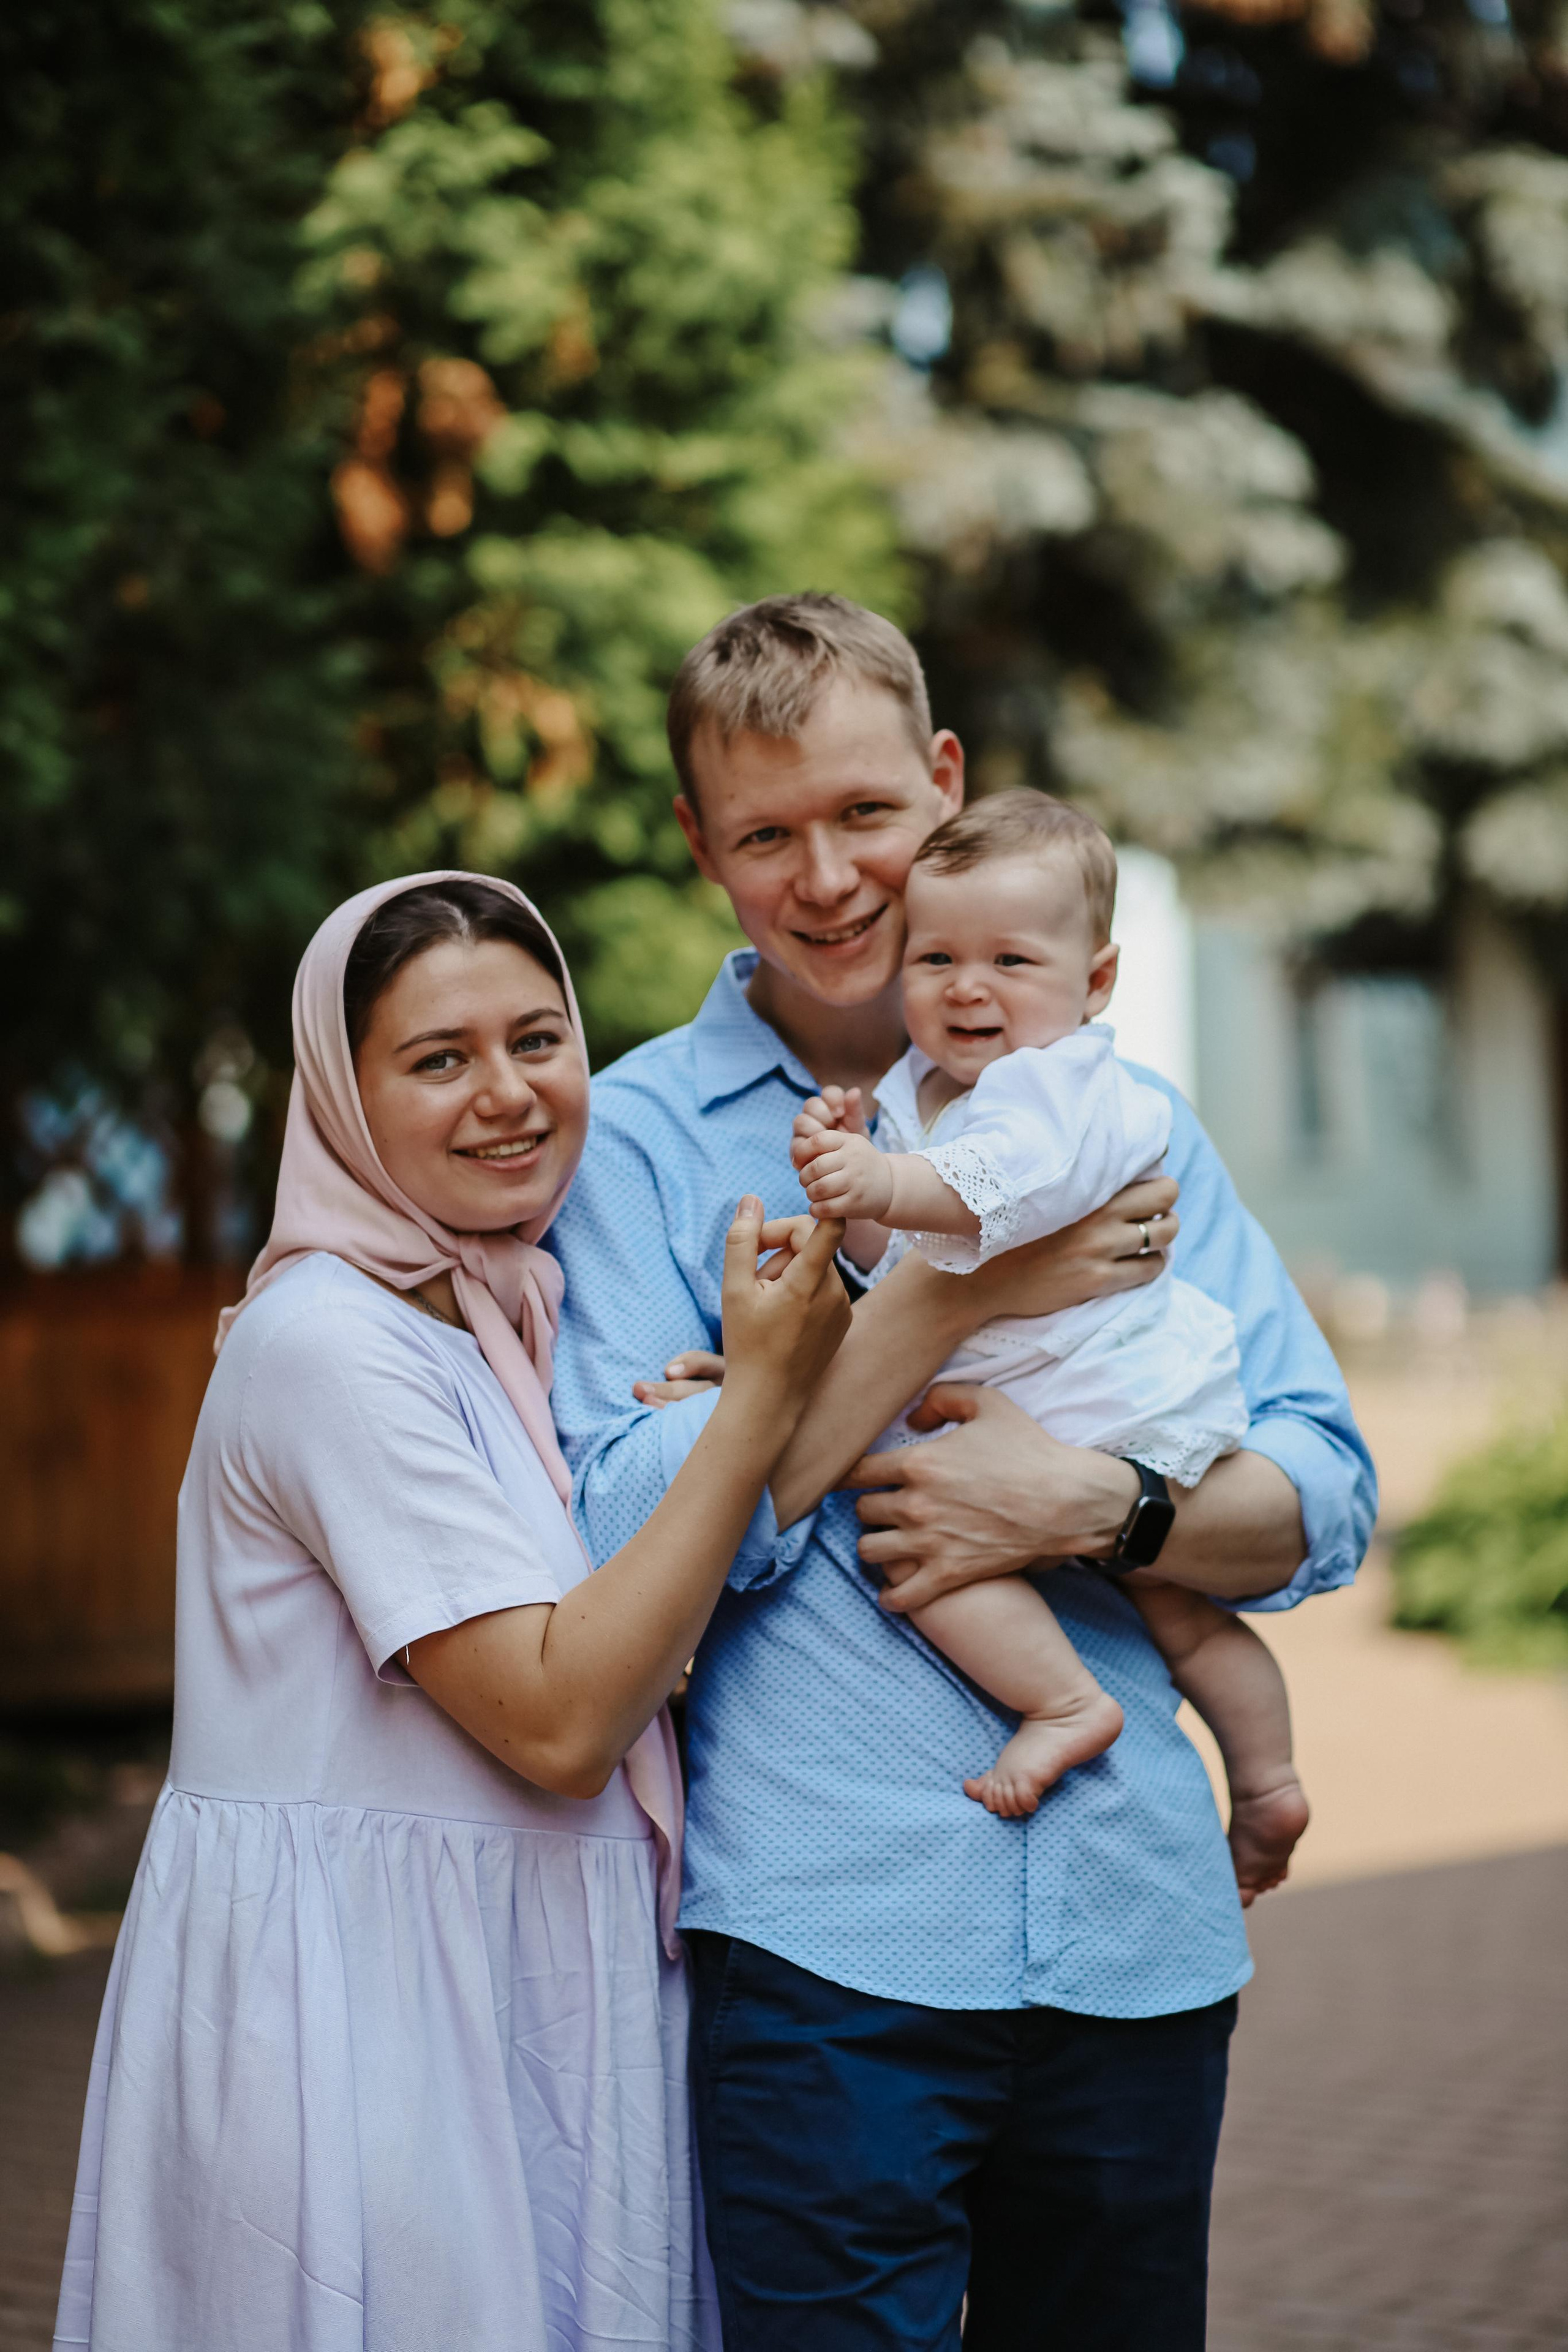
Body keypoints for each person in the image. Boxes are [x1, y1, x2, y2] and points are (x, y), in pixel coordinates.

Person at [548, 594, 1376, 2351]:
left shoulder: (1127, 1112)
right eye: (767, 836)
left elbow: (1321, 1487)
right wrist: (953, 1300)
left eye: (863, 815)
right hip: (827, 1949)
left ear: (943, 781)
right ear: (702, 847)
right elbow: (646, 1547)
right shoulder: (627, 1146)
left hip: (1136, 1923)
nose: (831, 878)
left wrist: (1109, 1510)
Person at [53, 871, 849, 2352]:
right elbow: (555, 1719)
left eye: (538, 1040)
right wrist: (761, 1406)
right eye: (437, 1060)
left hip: (497, 1981)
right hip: (365, 2009)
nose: (509, 1095)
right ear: (342, 1100)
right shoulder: (331, 1344)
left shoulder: (499, 1321)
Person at [792, 786, 1308, 1893]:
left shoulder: (1066, 1084)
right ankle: (1268, 1781)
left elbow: (1008, 1190)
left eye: (1011, 962)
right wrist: (866, 1194)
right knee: (1175, 1609)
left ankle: (1064, 1702)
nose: (967, 986)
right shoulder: (927, 1093)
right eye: (934, 959)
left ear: (1098, 981)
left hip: (1093, 1396)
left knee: (915, 1548)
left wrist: (886, 1178)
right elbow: (903, 1271)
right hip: (1067, 1394)